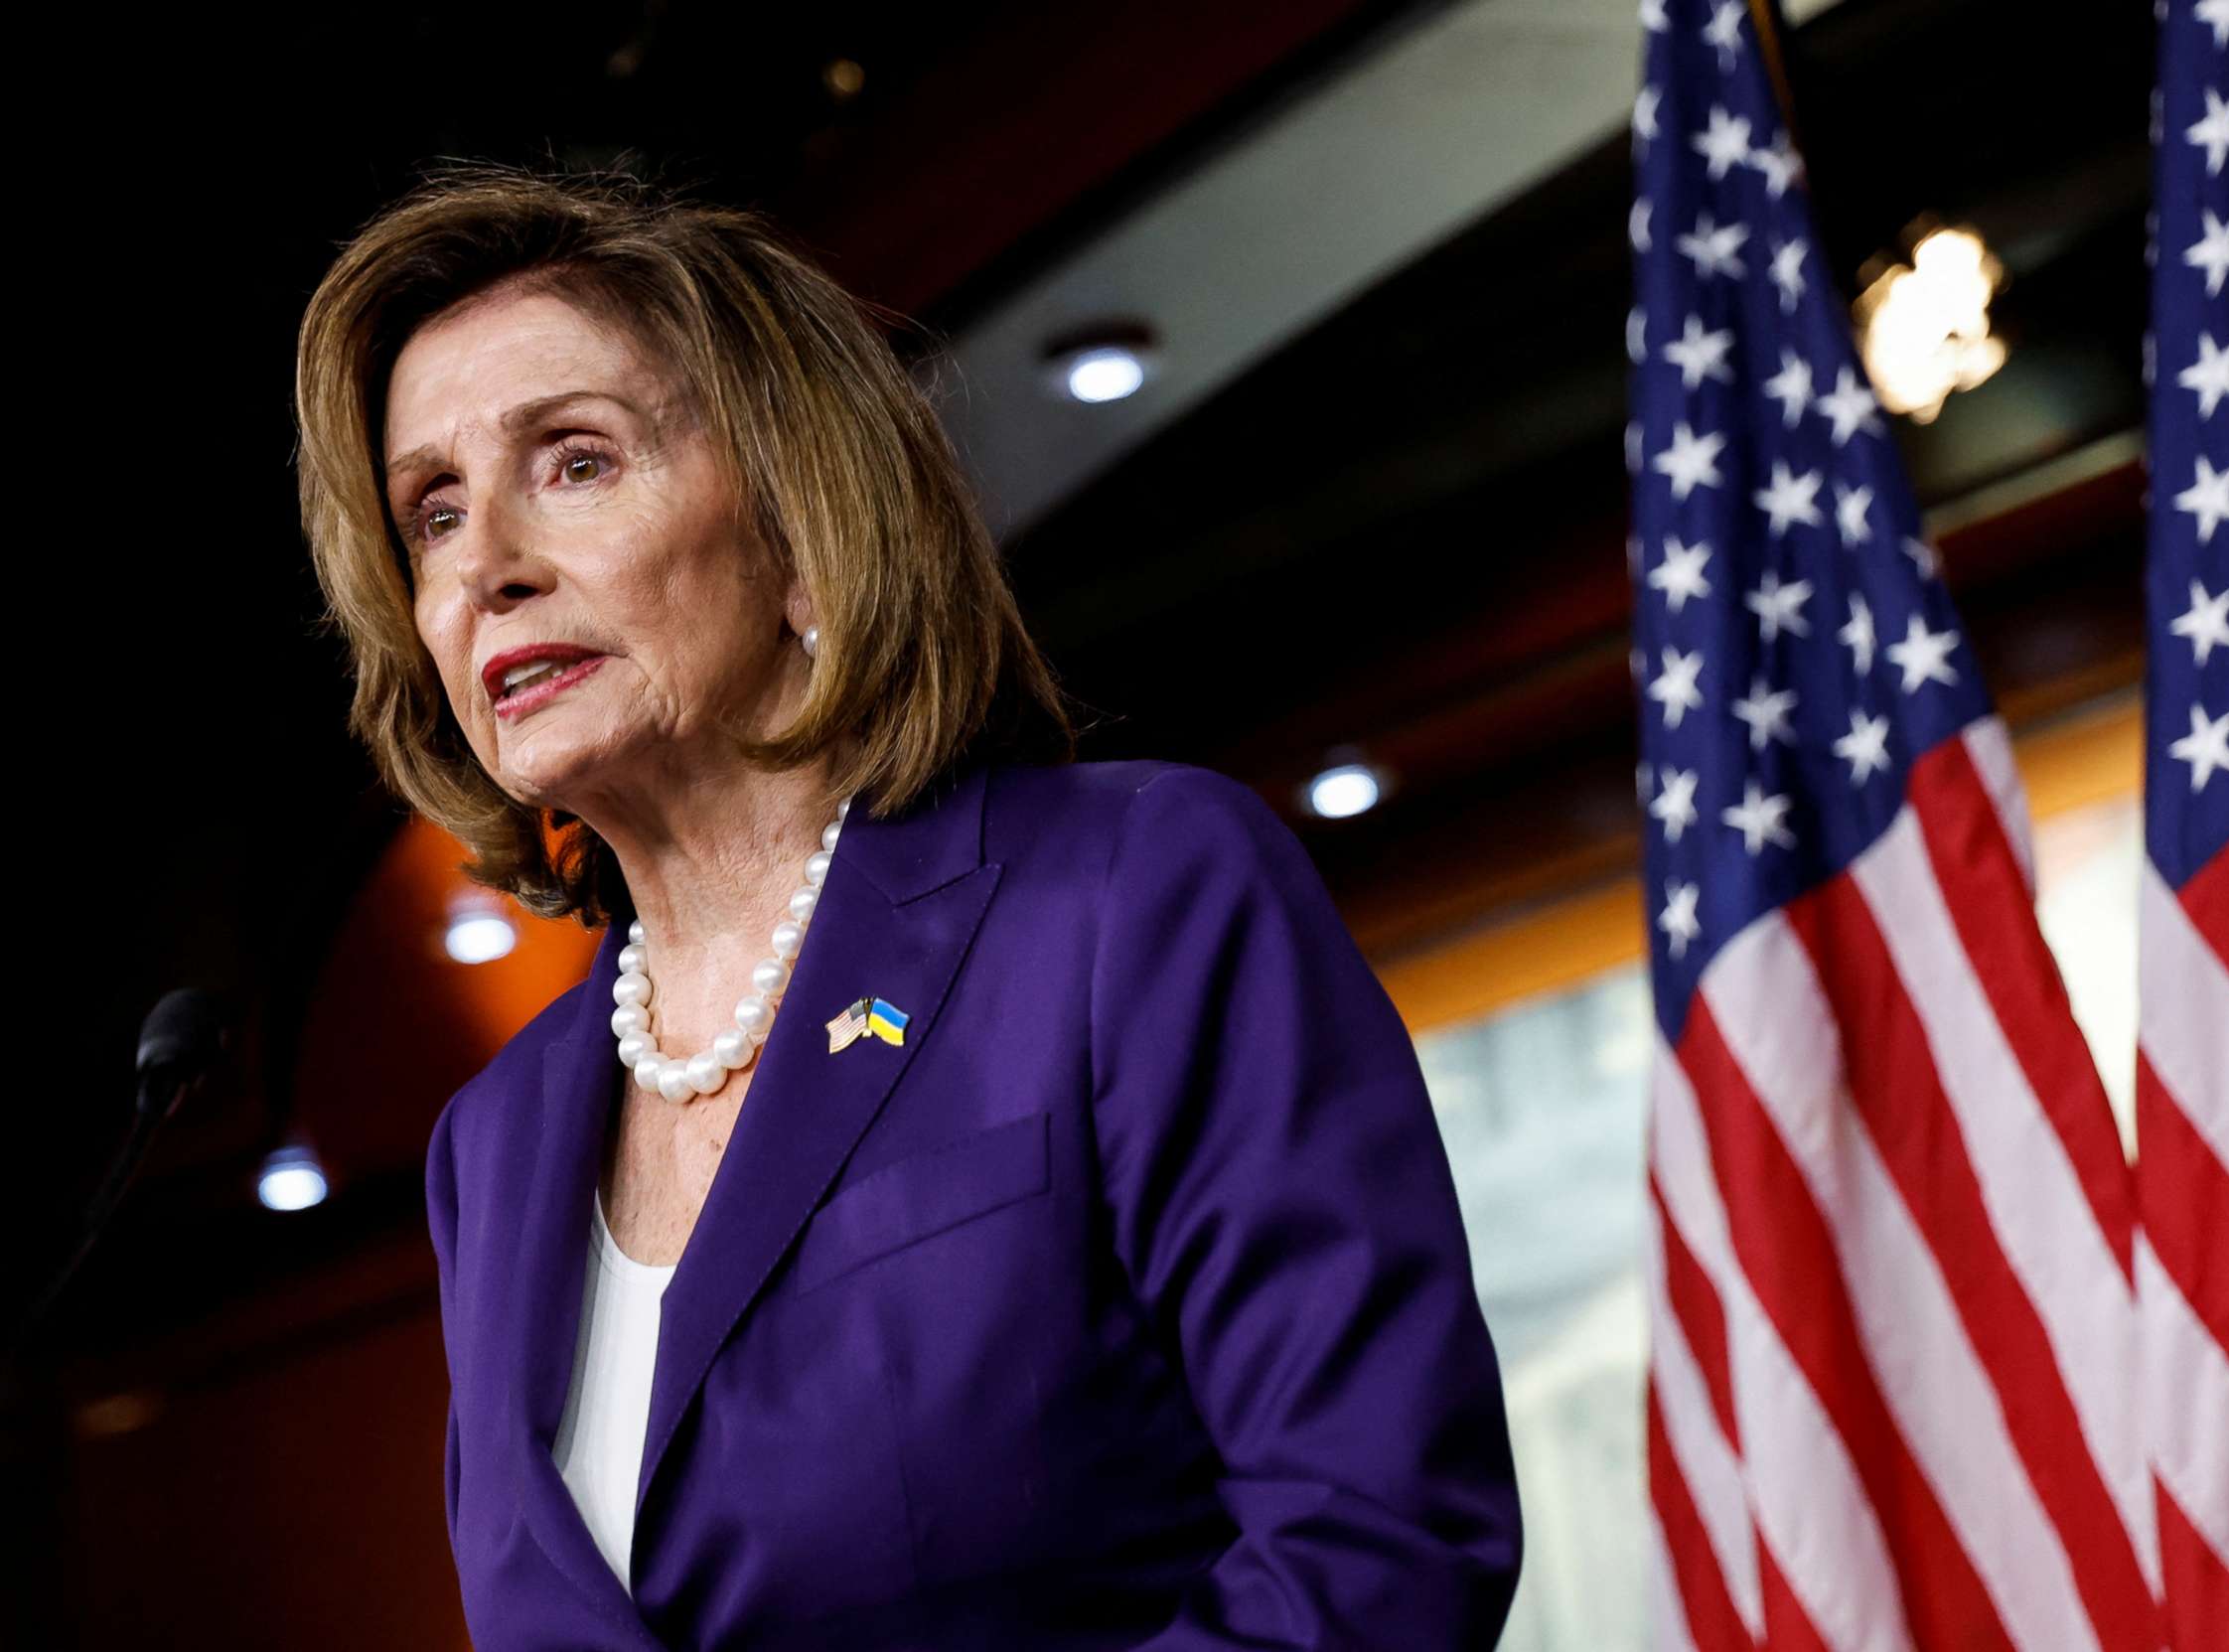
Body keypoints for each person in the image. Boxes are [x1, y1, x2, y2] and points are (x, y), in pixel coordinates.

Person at [292, 162, 1523, 1649]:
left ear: (803, 533)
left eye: (575, 462)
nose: (485, 563)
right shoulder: (490, 1148)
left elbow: (1377, 1539)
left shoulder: (1128, 894)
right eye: (431, 513)